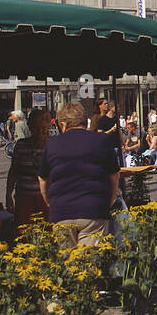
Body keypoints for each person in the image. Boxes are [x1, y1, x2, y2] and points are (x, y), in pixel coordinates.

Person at [38, 101, 119, 247]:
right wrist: (110, 201)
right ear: (85, 122)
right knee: (90, 264)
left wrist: (50, 202)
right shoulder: (102, 140)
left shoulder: (52, 144)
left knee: (68, 263)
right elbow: (114, 175)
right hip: (93, 209)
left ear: (63, 124)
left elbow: (43, 178)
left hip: (62, 211)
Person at [6, 109, 50, 230]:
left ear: (48, 127)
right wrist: (8, 194)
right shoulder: (21, 145)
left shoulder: (52, 146)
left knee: (48, 235)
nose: (40, 132)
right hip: (24, 197)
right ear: (30, 127)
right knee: (24, 233)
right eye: (36, 128)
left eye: (43, 128)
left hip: (46, 199)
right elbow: (13, 171)